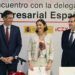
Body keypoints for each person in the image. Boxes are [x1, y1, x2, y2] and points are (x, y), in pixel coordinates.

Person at [0, 10, 22, 75]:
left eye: (12, 18)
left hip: (13, 61)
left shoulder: (16, 29)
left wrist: (13, 56)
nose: (11, 20)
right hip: (1, 61)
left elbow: (19, 45)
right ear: (4, 18)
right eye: (9, 18)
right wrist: (1, 57)